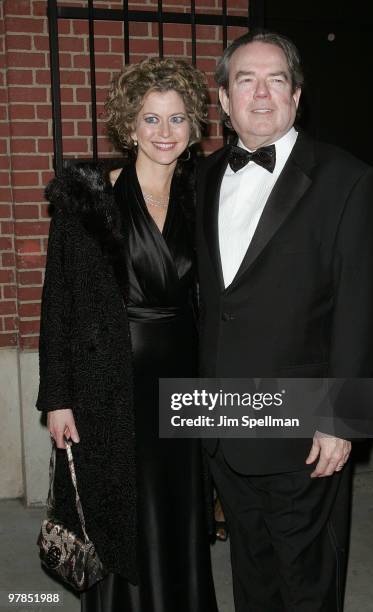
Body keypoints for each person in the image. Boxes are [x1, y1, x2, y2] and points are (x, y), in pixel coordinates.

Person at [196, 30, 373, 611]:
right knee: (250, 573)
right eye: (244, 80)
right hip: (221, 422)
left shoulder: (348, 181)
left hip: (305, 431)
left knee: (307, 580)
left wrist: (343, 421)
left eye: (276, 79)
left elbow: (364, 311)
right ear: (224, 102)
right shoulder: (201, 178)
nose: (260, 94)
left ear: (296, 95)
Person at [37, 57, 218, 612]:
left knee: (179, 505)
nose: (165, 133)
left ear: (194, 126)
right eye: (151, 119)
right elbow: (59, 301)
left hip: (185, 378)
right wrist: (58, 398)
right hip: (109, 383)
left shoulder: (205, 196)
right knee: (118, 507)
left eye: (177, 119)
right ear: (129, 124)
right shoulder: (91, 198)